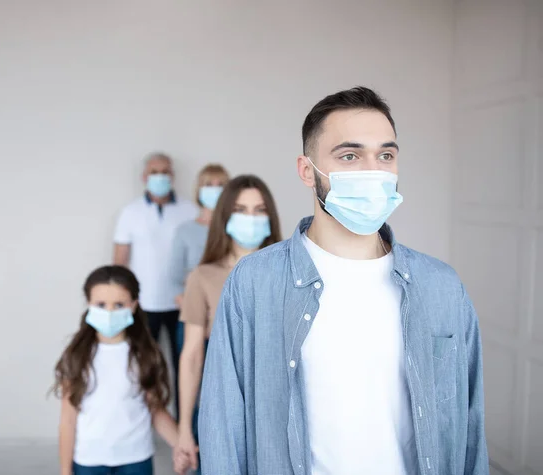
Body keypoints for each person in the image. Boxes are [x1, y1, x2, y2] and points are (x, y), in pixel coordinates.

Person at [198, 87, 489, 475]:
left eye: (385, 155)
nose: (373, 170)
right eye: (350, 156)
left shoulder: (442, 287)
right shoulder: (253, 284)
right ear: (307, 171)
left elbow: (469, 431)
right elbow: (223, 427)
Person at [175, 175, 282, 473]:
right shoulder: (203, 276)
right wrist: (184, 426)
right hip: (221, 402)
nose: (251, 218)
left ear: (270, 217)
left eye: (259, 210)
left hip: (279, 404)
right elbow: (192, 356)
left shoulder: (289, 271)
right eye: (241, 209)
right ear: (225, 216)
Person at [52, 265, 195, 475]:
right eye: (101, 304)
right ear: (88, 304)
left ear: (134, 306)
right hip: (89, 460)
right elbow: (68, 418)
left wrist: (180, 444)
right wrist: (65, 470)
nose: (109, 312)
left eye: (119, 304)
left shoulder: (145, 354)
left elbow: (155, 409)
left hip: (136, 459)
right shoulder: (77, 356)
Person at [113, 153, 197, 418]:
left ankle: (186, 424)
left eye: (164, 171)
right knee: (142, 366)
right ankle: (142, 422)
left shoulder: (190, 210)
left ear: (172, 176)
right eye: (154, 172)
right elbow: (119, 262)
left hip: (181, 302)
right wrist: (122, 302)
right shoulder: (130, 212)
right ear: (144, 177)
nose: (160, 176)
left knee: (186, 366)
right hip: (144, 305)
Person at [168, 164, 230, 310]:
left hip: (230, 308)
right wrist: (186, 303)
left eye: (220, 185)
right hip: (195, 306)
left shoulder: (237, 230)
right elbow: (175, 275)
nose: (215, 189)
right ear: (199, 189)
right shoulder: (185, 231)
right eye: (208, 184)